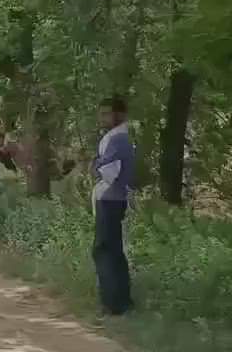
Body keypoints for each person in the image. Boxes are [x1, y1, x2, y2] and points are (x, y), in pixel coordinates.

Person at [92, 96, 135, 316]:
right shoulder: (116, 137)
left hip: (110, 199)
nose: (103, 117)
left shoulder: (117, 139)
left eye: (108, 113)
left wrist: (94, 164)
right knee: (114, 250)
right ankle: (122, 300)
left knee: (104, 250)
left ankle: (112, 303)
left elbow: (107, 169)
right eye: (102, 113)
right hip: (112, 199)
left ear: (120, 114)